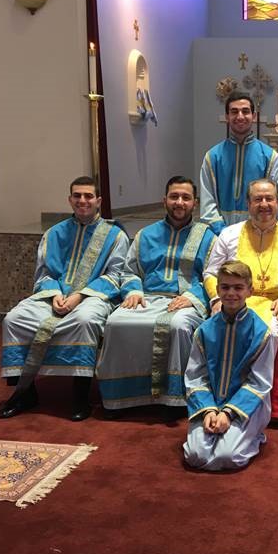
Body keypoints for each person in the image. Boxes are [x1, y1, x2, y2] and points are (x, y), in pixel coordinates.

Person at [0, 176, 128, 421]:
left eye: (88, 196)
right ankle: (25, 391)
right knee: (14, 320)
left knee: (85, 321)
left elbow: (116, 275)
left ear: (98, 201)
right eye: (77, 196)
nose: (82, 200)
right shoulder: (54, 234)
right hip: (54, 295)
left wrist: (80, 296)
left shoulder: (115, 236)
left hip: (93, 296)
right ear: (70, 200)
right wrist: (56, 294)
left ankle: (80, 394)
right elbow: (44, 272)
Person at [95, 176, 215, 412]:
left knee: (178, 326)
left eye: (185, 197)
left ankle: (174, 399)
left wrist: (192, 297)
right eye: (174, 197)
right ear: (164, 200)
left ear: (195, 203)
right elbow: (129, 270)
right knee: (116, 322)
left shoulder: (207, 237)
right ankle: (121, 398)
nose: (179, 202)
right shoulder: (145, 235)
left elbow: (212, 276)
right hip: (147, 297)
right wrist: (134, 291)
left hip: (184, 302)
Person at [182, 260, 275, 471]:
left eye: (238, 287)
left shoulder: (261, 333)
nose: (231, 293)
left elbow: (260, 382)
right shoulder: (204, 331)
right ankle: (223, 430)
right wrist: (208, 411)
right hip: (209, 404)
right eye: (225, 287)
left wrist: (228, 413)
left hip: (245, 407)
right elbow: (196, 376)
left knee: (228, 457)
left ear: (250, 291)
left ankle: (255, 435)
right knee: (195, 456)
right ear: (217, 290)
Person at [203, 178, 278, 330]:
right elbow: (211, 273)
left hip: (277, 308)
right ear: (248, 203)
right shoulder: (228, 234)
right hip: (234, 303)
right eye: (258, 199)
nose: (264, 204)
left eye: (269, 199)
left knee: (271, 332)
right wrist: (218, 300)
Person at [199, 91, 278, 235]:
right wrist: (223, 233)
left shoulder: (269, 156)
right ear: (227, 117)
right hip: (220, 234)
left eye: (245, 111)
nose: (240, 116)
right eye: (234, 112)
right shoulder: (212, 157)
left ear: (254, 116)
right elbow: (207, 202)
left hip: (258, 232)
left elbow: (276, 199)